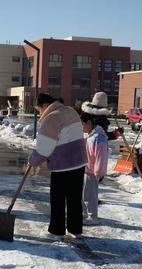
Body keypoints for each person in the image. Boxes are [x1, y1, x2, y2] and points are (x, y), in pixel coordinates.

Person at [28, 93, 87, 239]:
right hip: (79, 162)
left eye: (38, 109)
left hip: (63, 165)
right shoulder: (71, 111)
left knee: (58, 200)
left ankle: (56, 230)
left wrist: (33, 160)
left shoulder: (51, 118)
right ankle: (75, 229)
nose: (39, 113)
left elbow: (44, 148)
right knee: (74, 199)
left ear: (44, 106)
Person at [80, 110, 109, 223]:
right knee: (83, 194)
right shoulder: (88, 135)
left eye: (82, 124)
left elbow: (101, 158)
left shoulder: (98, 138)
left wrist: (98, 173)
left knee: (90, 195)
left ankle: (92, 217)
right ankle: (84, 213)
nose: (82, 127)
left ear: (89, 123)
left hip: (93, 172)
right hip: (85, 169)